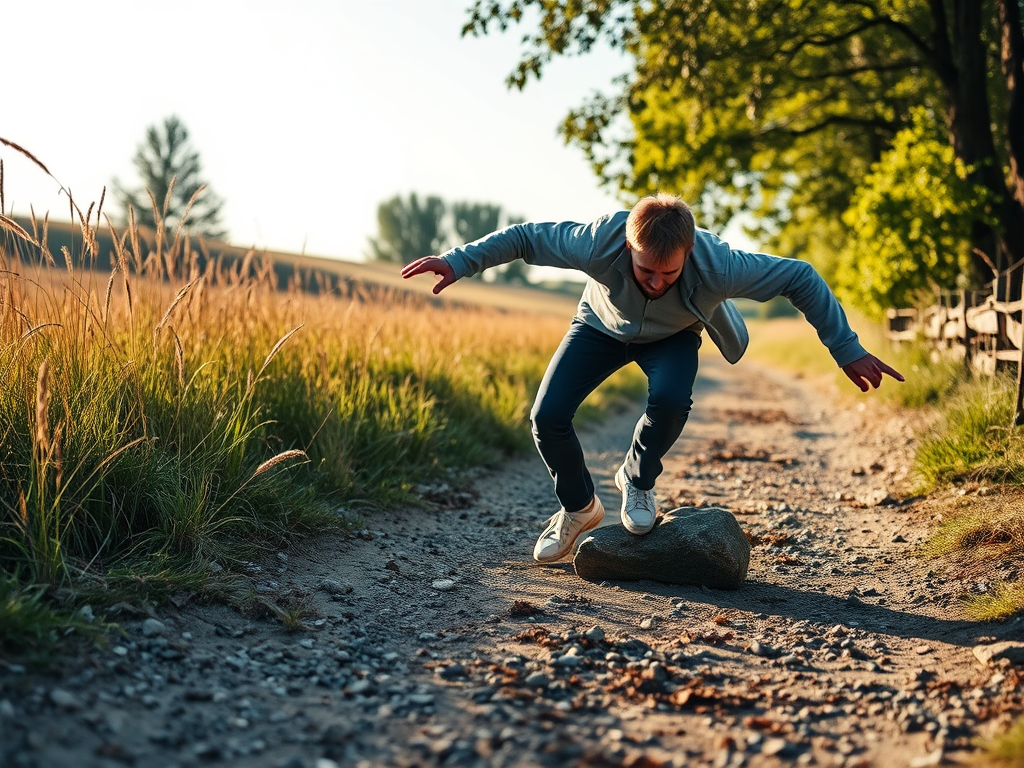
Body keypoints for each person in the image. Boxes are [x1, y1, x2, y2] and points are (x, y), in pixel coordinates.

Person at [401, 194, 903, 563]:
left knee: (670, 399)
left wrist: (846, 348)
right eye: (646, 271)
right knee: (546, 416)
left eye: (669, 273)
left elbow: (800, 277)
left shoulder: (719, 265)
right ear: (627, 246)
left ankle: (636, 480)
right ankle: (579, 508)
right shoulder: (597, 240)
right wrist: (460, 261)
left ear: (687, 252)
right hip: (600, 326)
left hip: (674, 335)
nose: (657, 282)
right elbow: (525, 238)